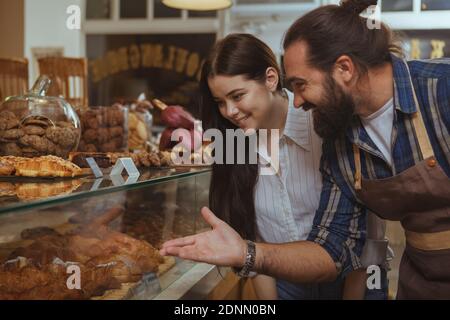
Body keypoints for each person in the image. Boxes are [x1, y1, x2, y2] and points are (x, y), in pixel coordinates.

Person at [161, 0, 450, 299]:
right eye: (221, 102)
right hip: (419, 282)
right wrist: (248, 254)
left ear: (344, 69)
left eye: (300, 84)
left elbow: (366, 245)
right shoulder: (341, 134)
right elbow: (337, 242)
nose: (298, 102)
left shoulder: (438, 91)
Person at [172, 32, 387, 299]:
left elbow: (369, 234)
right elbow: (252, 243)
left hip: (352, 281)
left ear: (270, 79)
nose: (229, 111)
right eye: (219, 102)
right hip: (284, 286)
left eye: (237, 96)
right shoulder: (233, 144)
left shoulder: (322, 124)